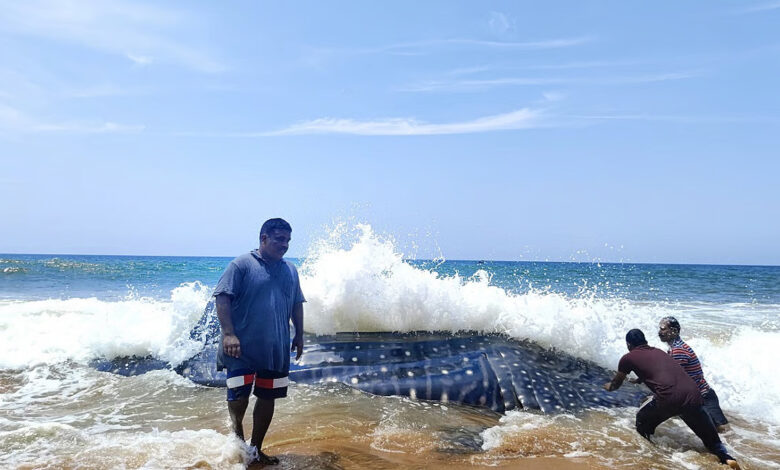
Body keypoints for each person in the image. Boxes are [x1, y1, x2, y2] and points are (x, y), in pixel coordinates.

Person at [213, 218, 305, 466]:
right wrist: (228, 334)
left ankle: (255, 449)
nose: (284, 245)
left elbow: (297, 303)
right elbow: (222, 298)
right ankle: (238, 442)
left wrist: (300, 334)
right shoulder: (241, 265)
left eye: (287, 240)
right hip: (241, 347)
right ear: (263, 238)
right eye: (279, 239)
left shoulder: (291, 270)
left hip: (275, 349)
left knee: (268, 397)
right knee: (239, 397)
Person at [604, 329, 740, 469]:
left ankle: (651, 456)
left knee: (642, 421)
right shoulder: (660, 352)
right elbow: (662, 371)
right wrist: (640, 379)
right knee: (712, 441)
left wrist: (607, 386)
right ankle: (727, 458)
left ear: (628, 344)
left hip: (668, 398)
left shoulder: (628, 358)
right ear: (645, 341)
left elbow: (615, 384)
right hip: (694, 395)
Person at [659, 316, 729, 432]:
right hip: (699, 397)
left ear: (675, 331)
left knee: (723, 431)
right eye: (660, 329)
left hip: (704, 397)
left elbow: (674, 379)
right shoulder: (675, 348)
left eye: (663, 329)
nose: (660, 332)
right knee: (717, 432)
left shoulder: (678, 350)